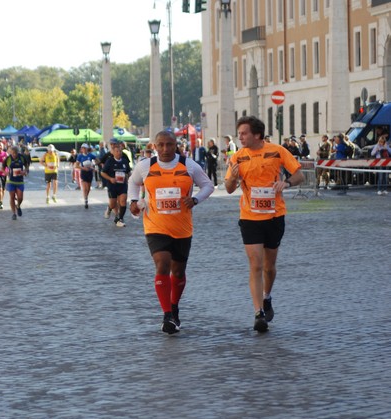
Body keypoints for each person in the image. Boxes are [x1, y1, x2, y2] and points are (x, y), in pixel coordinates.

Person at [128, 130, 214, 334]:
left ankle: (174, 306)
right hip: (155, 225)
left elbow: (208, 185)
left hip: (182, 227)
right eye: (161, 145)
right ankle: (167, 315)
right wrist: (133, 201)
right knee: (162, 264)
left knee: (178, 272)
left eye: (169, 145)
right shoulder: (146, 165)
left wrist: (194, 200)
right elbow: (133, 182)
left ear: (176, 145)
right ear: (154, 146)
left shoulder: (188, 165)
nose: (165, 149)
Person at [224, 115, 304, 333]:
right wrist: (232, 178)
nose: (240, 137)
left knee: (269, 267)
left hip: (274, 216)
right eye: (239, 133)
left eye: (244, 133)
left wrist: (285, 182)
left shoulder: (277, 150)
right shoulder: (238, 157)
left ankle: (267, 296)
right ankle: (258, 312)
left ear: (257, 134)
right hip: (249, 217)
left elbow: (299, 175)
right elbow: (229, 188)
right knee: (256, 265)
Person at [101, 138, 132, 227]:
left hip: (122, 185)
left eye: (120, 151)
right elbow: (102, 172)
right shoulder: (110, 160)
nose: (119, 153)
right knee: (113, 203)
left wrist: (130, 179)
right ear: (113, 152)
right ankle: (109, 209)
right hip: (112, 185)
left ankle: (120, 219)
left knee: (123, 201)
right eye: (117, 151)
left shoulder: (124, 161)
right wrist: (110, 178)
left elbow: (128, 172)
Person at [3, 145, 28, 221]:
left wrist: (25, 171)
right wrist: (5, 172)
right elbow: (3, 167)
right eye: (13, 153)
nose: (14, 154)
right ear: (10, 152)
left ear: (18, 152)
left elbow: (27, 165)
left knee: (20, 197)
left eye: (16, 153)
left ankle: (18, 206)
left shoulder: (22, 157)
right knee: (12, 197)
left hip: (20, 181)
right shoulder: (8, 159)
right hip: (11, 181)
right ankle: (14, 213)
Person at [75, 143, 97, 209]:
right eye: (82, 148)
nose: (83, 149)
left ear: (87, 149)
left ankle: (86, 197)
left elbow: (97, 161)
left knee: (88, 188)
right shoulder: (80, 156)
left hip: (89, 173)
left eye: (85, 148)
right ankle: (86, 200)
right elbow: (76, 165)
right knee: (85, 188)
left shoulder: (91, 155)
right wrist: (83, 168)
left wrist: (93, 166)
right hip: (83, 172)